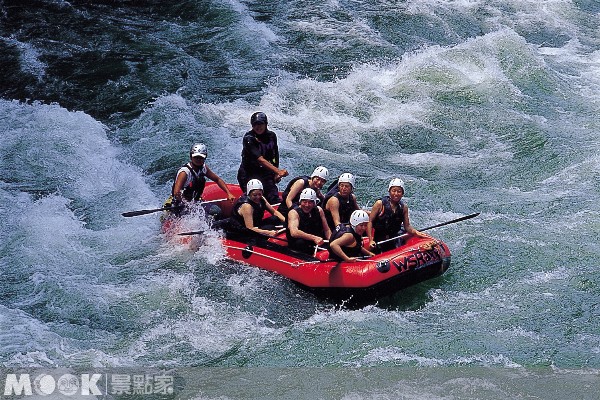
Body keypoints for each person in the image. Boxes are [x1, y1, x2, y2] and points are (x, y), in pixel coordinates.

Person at [165, 143, 236, 215]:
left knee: (216, 211)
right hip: (180, 203)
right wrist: (188, 205)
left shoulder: (203, 168)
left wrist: (229, 193)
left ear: (205, 158)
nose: (198, 160)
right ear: (191, 157)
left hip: (194, 202)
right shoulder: (184, 172)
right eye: (196, 157)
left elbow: (218, 180)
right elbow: (176, 193)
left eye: (201, 157)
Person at [237, 112, 288, 204]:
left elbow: (275, 155)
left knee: (273, 198)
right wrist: (278, 171)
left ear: (266, 124)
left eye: (261, 124)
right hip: (248, 174)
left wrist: (275, 174)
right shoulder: (249, 138)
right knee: (254, 200)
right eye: (255, 124)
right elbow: (260, 160)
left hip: (265, 173)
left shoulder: (272, 136)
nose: (258, 127)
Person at [367, 178, 429, 253]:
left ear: (402, 193)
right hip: (379, 239)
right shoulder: (380, 204)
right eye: (393, 191)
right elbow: (370, 222)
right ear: (389, 191)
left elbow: (407, 226)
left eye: (399, 191)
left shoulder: (403, 208)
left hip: (393, 239)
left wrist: (416, 232)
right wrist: (370, 240)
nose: (396, 194)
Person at [216, 179, 285, 238]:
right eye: (255, 195)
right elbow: (250, 228)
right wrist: (268, 232)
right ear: (249, 193)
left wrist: (286, 221)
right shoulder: (247, 206)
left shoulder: (262, 198)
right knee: (270, 228)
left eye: (260, 194)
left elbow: (274, 212)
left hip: (255, 224)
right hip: (238, 229)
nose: (258, 197)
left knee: (275, 218)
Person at [286, 188, 332, 254]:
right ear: (300, 201)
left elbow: (326, 230)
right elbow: (294, 232)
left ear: (314, 203)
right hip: (300, 243)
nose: (307, 205)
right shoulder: (294, 213)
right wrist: (314, 238)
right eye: (304, 202)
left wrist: (330, 241)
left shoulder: (319, 210)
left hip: (315, 241)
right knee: (300, 243)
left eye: (310, 202)